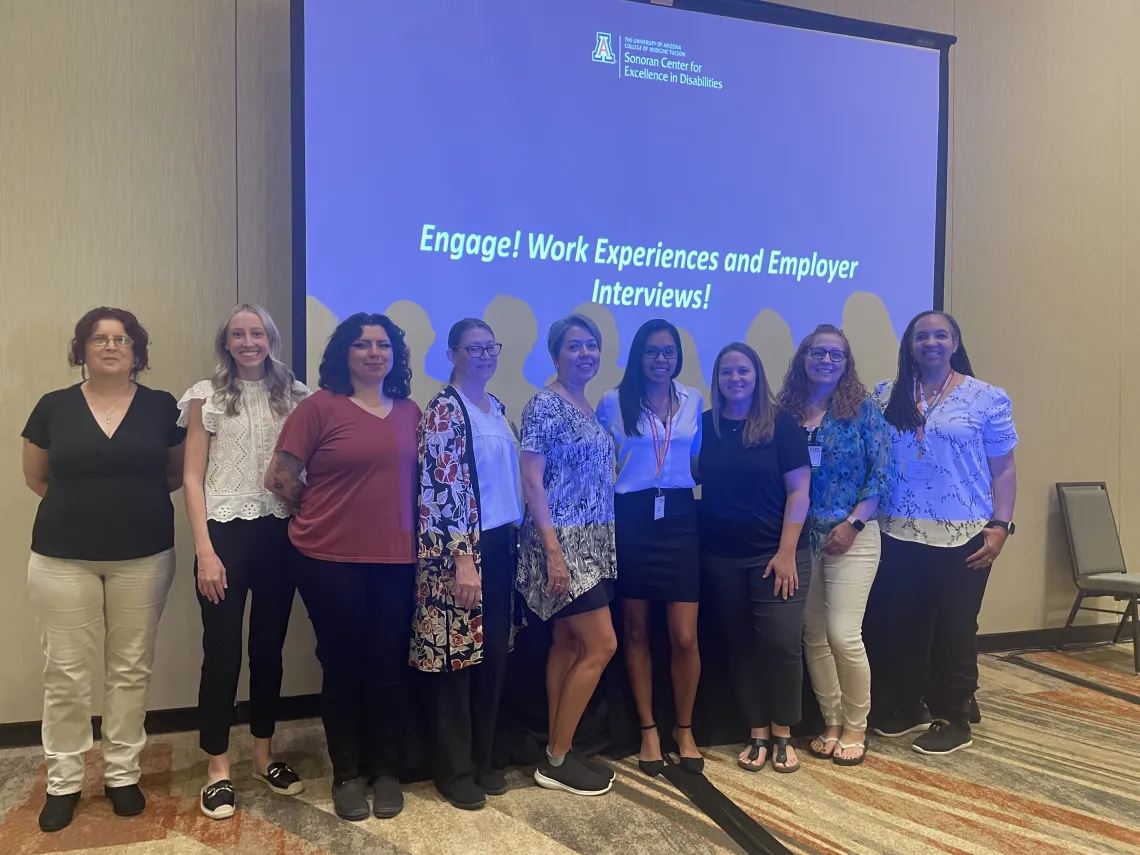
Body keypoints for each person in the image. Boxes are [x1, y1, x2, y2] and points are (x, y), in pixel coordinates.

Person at [22, 308, 185, 833]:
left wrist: (124, 508)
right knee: (65, 675)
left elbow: (177, 474)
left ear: (137, 351)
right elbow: (36, 476)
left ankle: (121, 775)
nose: (111, 346)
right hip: (62, 557)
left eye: (122, 339)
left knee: (130, 670)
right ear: (83, 349)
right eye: (99, 338)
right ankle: (64, 782)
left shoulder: (163, 408)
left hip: (143, 556)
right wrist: (89, 511)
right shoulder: (53, 407)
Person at [264, 312, 420, 820]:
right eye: (361, 345)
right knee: (343, 668)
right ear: (344, 355)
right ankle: (347, 773)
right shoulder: (319, 408)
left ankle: (387, 770)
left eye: (382, 345)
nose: (373, 353)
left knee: (388, 669)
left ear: (393, 355)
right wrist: (317, 510)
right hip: (328, 560)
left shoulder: (412, 412)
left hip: (397, 559)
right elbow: (280, 478)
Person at [178, 304, 310, 819]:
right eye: (239, 333)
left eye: (257, 332)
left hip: (280, 535)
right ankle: (218, 768)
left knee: (269, 652)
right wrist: (204, 551)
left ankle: (262, 755)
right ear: (226, 342)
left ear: (271, 338)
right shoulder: (205, 395)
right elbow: (191, 478)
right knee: (222, 653)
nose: (249, 341)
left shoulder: (296, 395)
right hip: (223, 539)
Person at [868, 310, 1017, 755]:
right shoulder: (886, 395)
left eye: (940, 335)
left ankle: (953, 716)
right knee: (903, 627)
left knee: (955, 629)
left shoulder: (986, 398)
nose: (930, 343)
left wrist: (1001, 525)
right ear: (909, 345)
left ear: (954, 342)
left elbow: (1004, 469)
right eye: (921, 337)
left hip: (964, 535)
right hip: (898, 532)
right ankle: (907, 706)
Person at [413, 319, 522, 811]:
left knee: (493, 656)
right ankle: (454, 770)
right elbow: (442, 490)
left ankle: (483, 759)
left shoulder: (496, 409)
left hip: (502, 544)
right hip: (460, 554)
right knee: (456, 661)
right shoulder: (442, 411)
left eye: (490, 347)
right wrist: (463, 561)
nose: (484, 355)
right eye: (473, 348)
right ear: (453, 354)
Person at [777, 324, 895, 767]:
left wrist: (853, 524)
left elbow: (883, 475)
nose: (826, 360)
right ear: (803, 359)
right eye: (817, 353)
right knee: (813, 634)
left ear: (847, 364)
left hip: (853, 536)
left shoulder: (863, 410)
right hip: (801, 538)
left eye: (836, 355)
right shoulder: (785, 412)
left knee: (843, 634)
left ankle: (856, 725)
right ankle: (830, 720)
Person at [596, 319, 704, 776]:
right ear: (638, 356)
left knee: (684, 635)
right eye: (652, 352)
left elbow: (696, 460)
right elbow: (603, 465)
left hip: (679, 516)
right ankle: (647, 729)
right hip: (633, 517)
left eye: (669, 352)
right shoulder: (611, 402)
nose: (662, 360)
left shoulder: (694, 399)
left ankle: (684, 728)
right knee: (635, 629)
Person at [518, 314, 619, 797]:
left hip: (592, 538)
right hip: (561, 543)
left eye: (592, 346)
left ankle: (558, 749)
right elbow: (532, 480)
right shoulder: (544, 404)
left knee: (568, 645)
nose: (585, 354)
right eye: (575, 346)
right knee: (602, 645)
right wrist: (553, 552)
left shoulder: (586, 403)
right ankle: (557, 760)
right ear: (556, 354)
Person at [698, 342, 811, 774]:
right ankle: (757, 730)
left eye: (743, 371)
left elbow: (799, 492)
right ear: (717, 380)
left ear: (757, 375)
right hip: (722, 556)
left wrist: (785, 553)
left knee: (780, 645)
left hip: (777, 555)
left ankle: (783, 731)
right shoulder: (707, 426)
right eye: (727, 372)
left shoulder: (781, 425)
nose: (735, 379)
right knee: (740, 646)